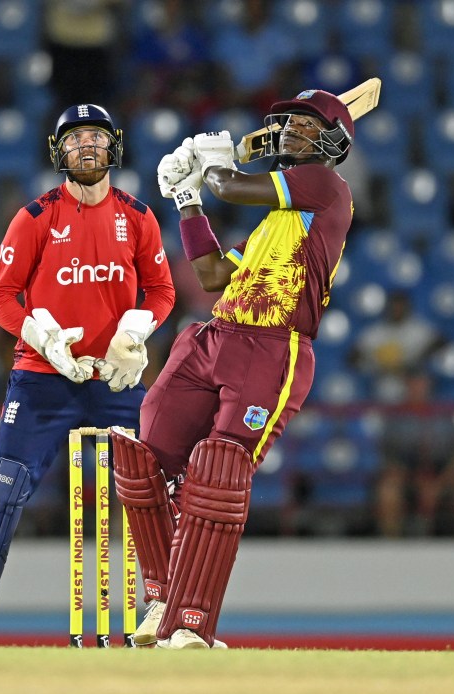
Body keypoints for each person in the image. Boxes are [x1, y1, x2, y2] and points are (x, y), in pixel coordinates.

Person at [111, 88, 359, 648]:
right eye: (287, 123)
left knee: (218, 475)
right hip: (216, 336)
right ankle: (162, 604)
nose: (292, 131)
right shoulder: (278, 223)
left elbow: (229, 184)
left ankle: (191, 625)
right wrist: (186, 201)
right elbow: (213, 277)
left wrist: (211, 168)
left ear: (332, 140)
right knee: (145, 458)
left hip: (274, 348)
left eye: (305, 124)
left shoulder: (325, 185)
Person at [0, 103, 175, 647]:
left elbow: (162, 291)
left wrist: (137, 331)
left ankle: (171, 618)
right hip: (44, 377)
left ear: (113, 146)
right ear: (58, 151)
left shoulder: (137, 216)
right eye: (74, 139)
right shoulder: (37, 216)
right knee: (4, 486)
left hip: (113, 379)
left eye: (95, 136)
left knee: (156, 486)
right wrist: (40, 337)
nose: (85, 146)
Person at [376, 370, 454, 538]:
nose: (418, 389)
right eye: (413, 384)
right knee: (388, 491)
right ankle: (391, 545)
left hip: (443, 478)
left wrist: (438, 485)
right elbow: (390, 459)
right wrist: (415, 482)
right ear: (407, 387)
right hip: (408, 480)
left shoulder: (444, 415)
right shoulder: (396, 418)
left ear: (429, 386)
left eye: (421, 384)